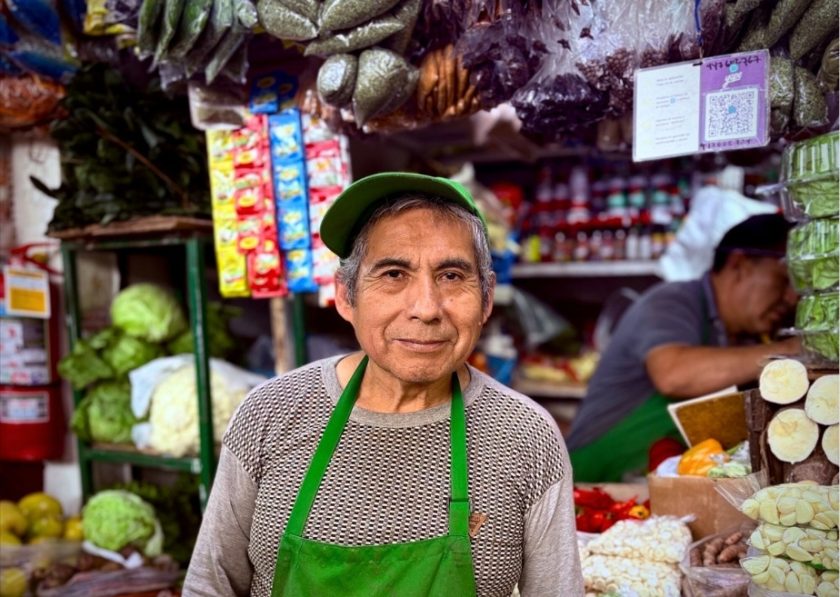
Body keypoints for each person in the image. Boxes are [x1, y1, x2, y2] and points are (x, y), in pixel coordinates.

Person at [184, 172, 583, 596]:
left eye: (451, 276)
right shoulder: (271, 413)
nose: (426, 308)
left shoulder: (526, 436)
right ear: (345, 296)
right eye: (394, 274)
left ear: (485, 299)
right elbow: (210, 586)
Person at [567, 213, 800, 482]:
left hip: (663, 482)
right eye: (784, 279)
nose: (791, 298)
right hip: (596, 481)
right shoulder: (671, 302)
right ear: (740, 264)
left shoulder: (754, 335)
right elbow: (673, 374)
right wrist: (792, 349)